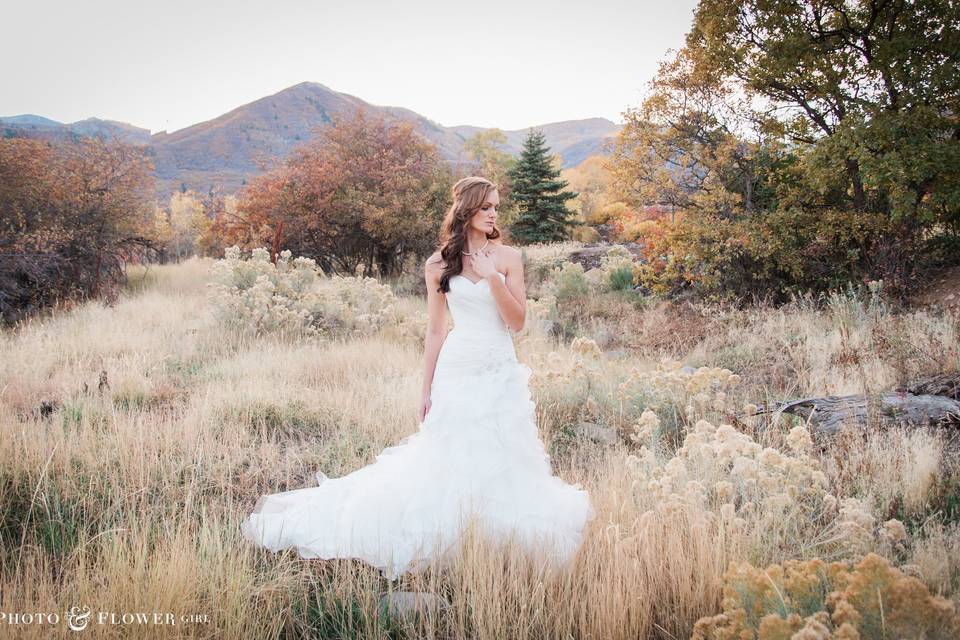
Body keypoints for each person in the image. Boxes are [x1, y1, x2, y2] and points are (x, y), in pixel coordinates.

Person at [240, 176, 595, 579]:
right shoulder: (437, 264)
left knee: (504, 450)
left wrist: (493, 278)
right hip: (457, 369)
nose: (494, 213)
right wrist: (425, 389)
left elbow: (517, 323)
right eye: (486, 207)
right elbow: (435, 331)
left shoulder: (508, 258)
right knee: (450, 452)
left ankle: (496, 535)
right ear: (467, 211)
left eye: (496, 206)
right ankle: (450, 530)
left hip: (499, 369)